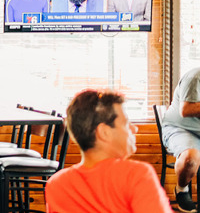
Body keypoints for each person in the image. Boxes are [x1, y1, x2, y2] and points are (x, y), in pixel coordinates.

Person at [45, 89, 171, 212]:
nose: (134, 129)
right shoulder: (136, 175)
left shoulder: (56, 185)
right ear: (104, 132)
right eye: (126, 124)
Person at [161, 66, 200, 212]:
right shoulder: (195, 77)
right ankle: (182, 190)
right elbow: (186, 110)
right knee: (191, 158)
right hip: (181, 129)